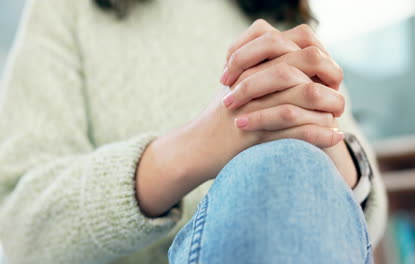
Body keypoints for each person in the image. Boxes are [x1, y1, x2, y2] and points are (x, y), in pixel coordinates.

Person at [0, 0, 387, 263]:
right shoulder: (66, 9)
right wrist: (196, 147)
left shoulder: (282, 12)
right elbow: (20, 226)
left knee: (292, 162)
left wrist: (319, 136)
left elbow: (370, 211)